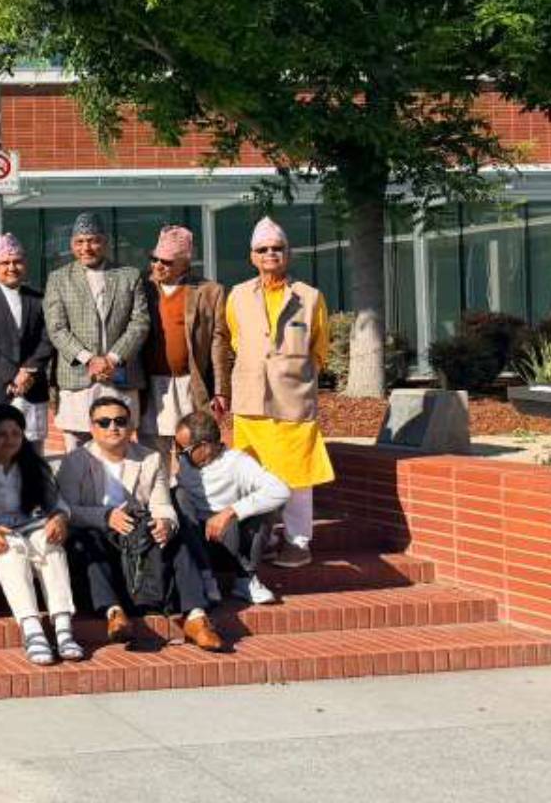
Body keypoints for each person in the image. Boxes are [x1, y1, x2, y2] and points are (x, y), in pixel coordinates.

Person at [56, 397, 223, 652]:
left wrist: (165, 523)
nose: (113, 427)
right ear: (92, 428)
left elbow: (162, 504)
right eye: (104, 422)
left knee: (178, 541)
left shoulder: (150, 459)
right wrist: (105, 517)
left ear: (131, 425)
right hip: (100, 535)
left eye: (120, 421)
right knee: (86, 542)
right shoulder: (75, 461)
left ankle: (196, 619)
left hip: (138, 537)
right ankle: (114, 614)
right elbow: (66, 510)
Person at [219, 217, 334, 568]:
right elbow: (235, 340)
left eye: (277, 248)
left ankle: (298, 542)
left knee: (297, 476)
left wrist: (293, 373)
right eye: (263, 249)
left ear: (288, 253)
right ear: (252, 256)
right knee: (255, 475)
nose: (270, 254)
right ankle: (263, 538)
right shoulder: (238, 295)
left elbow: (320, 348)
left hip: (293, 400)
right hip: (251, 401)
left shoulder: (310, 297)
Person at [0, 403, 83, 666]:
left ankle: (63, 627)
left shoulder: (32, 465)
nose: (10, 440)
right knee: (12, 546)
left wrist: (59, 518)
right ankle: (32, 630)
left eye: (16, 434)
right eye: (1, 434)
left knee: (48, 541)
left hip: (29, 544)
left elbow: (58, 505)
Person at [44, 212, 150, 450]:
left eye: (93, 241)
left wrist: (112, 359)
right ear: (72, 244)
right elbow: (56, 328)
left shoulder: (129, 276)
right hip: (78, 377)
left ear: (105, 242)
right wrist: (89, 359)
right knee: (77, 451)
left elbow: (140, 322)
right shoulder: (59, 279)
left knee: (119, 447)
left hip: (120, 375)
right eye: (80, 242)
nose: (86, 248)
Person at [174, 410, 290, 605]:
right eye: (177, 446)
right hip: (196, 541)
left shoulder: (237, 462)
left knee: (266, 509)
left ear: (205, 447)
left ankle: (246, 580)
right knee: (179, 496)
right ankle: (204, 578)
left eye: (184, 449)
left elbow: (281, 490)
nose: (178, 453)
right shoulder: (184, 464)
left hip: (230, 539)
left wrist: (230, 512)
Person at [140, 225, 230, 458]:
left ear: (185, 263)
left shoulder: (210, 292)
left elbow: (219, 344)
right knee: (152, 455)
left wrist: (221, 390)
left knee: (194, 451)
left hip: (191, 384)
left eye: (167, 262)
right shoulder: (142, 289)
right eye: (154, 259)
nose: (158, 265)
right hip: (151, 387)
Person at [0, 232, 54, 449]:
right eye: (5, 263)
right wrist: (14, 374)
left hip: (32, 389)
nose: (12, 267)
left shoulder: (39, 298)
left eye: (17, 262)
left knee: (32, 455)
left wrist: (28, 372)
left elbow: (48, 338)